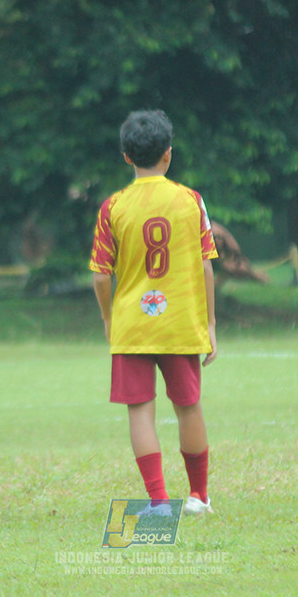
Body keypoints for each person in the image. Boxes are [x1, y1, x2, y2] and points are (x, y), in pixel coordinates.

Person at [89, 110, 219, 516]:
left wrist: (109, 319)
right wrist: (210, 323)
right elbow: (205, 266)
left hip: (133, 326)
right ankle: (198, 496)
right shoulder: (190, 200)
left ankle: (159, 502)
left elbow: (100, 275)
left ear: (127, 157)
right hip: (180, 322)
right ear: (168, 154)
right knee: (188, 406)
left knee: (140, 411)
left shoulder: (113, 207)